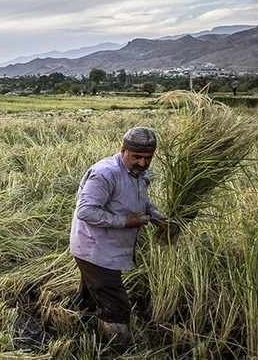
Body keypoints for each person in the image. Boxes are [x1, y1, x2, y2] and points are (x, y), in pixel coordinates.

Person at [69, 127, 166, 351]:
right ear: (123, 150)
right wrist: (124, 221)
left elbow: (143, 200)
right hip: (94, 249)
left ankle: (72, 330)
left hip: (112, 247)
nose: (142, 163)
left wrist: (156, 217)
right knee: (117, 307)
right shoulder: (105, 174)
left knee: (90, 298)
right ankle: (115, 351)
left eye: (148, 158)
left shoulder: (141, 174)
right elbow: (85, 211)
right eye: (137, 157)